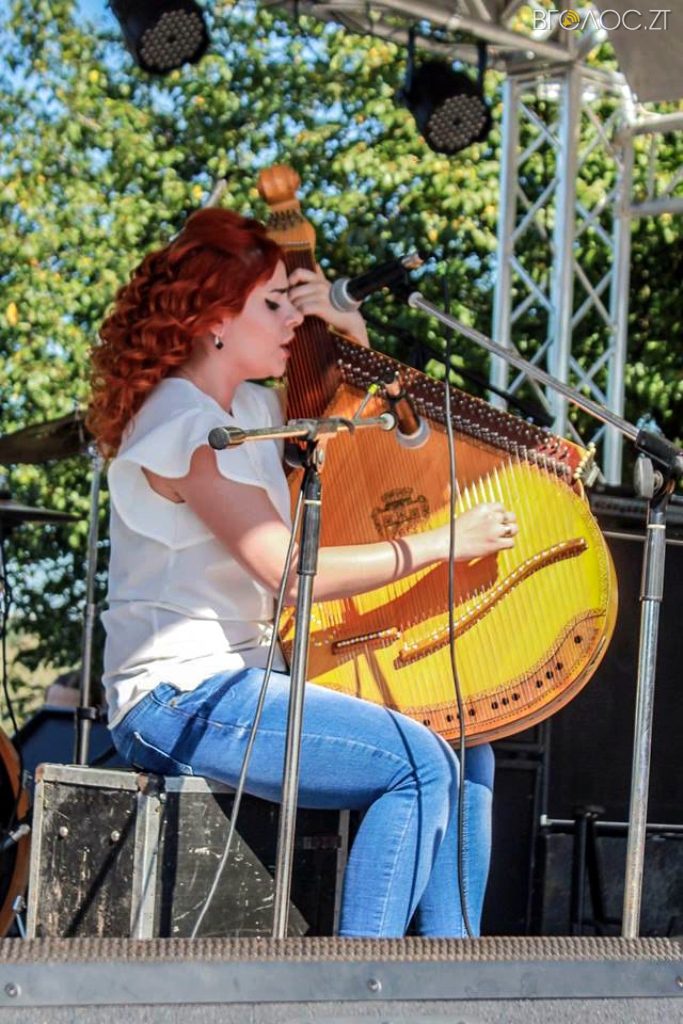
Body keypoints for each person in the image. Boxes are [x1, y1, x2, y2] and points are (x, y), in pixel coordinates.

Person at [87, 207, 518, 939]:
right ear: (214, 319)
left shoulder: (256, 406)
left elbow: (370, 444)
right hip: (175, 694)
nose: (291, 319)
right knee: (416, 765)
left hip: (255, 679)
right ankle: (354, 984)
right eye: (272, 304)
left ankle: (454, 970)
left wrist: (349, 333)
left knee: (467, 740)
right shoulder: (181, 423)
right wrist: (442, 543)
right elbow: (288, 572)